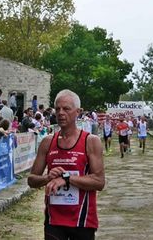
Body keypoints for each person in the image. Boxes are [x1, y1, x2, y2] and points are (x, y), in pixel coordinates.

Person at [28, 89, 105, 240]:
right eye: (57, 109)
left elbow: (99, 182)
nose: (61, 113)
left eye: (66, 109)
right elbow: (31, 180)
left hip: (82, 221)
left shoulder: (91, 141)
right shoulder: (47, 142)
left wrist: (67, 178)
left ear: (78, 112)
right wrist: (47, 178)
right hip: (54, 220)